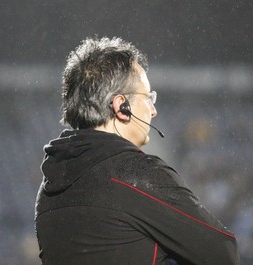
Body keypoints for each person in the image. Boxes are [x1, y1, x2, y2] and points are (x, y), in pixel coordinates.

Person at [35, 36, 240, 265]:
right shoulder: (135, 173)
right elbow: (223, 254)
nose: (153, 110)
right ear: (121, 106)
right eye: (148, 97)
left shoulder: (49, 191)